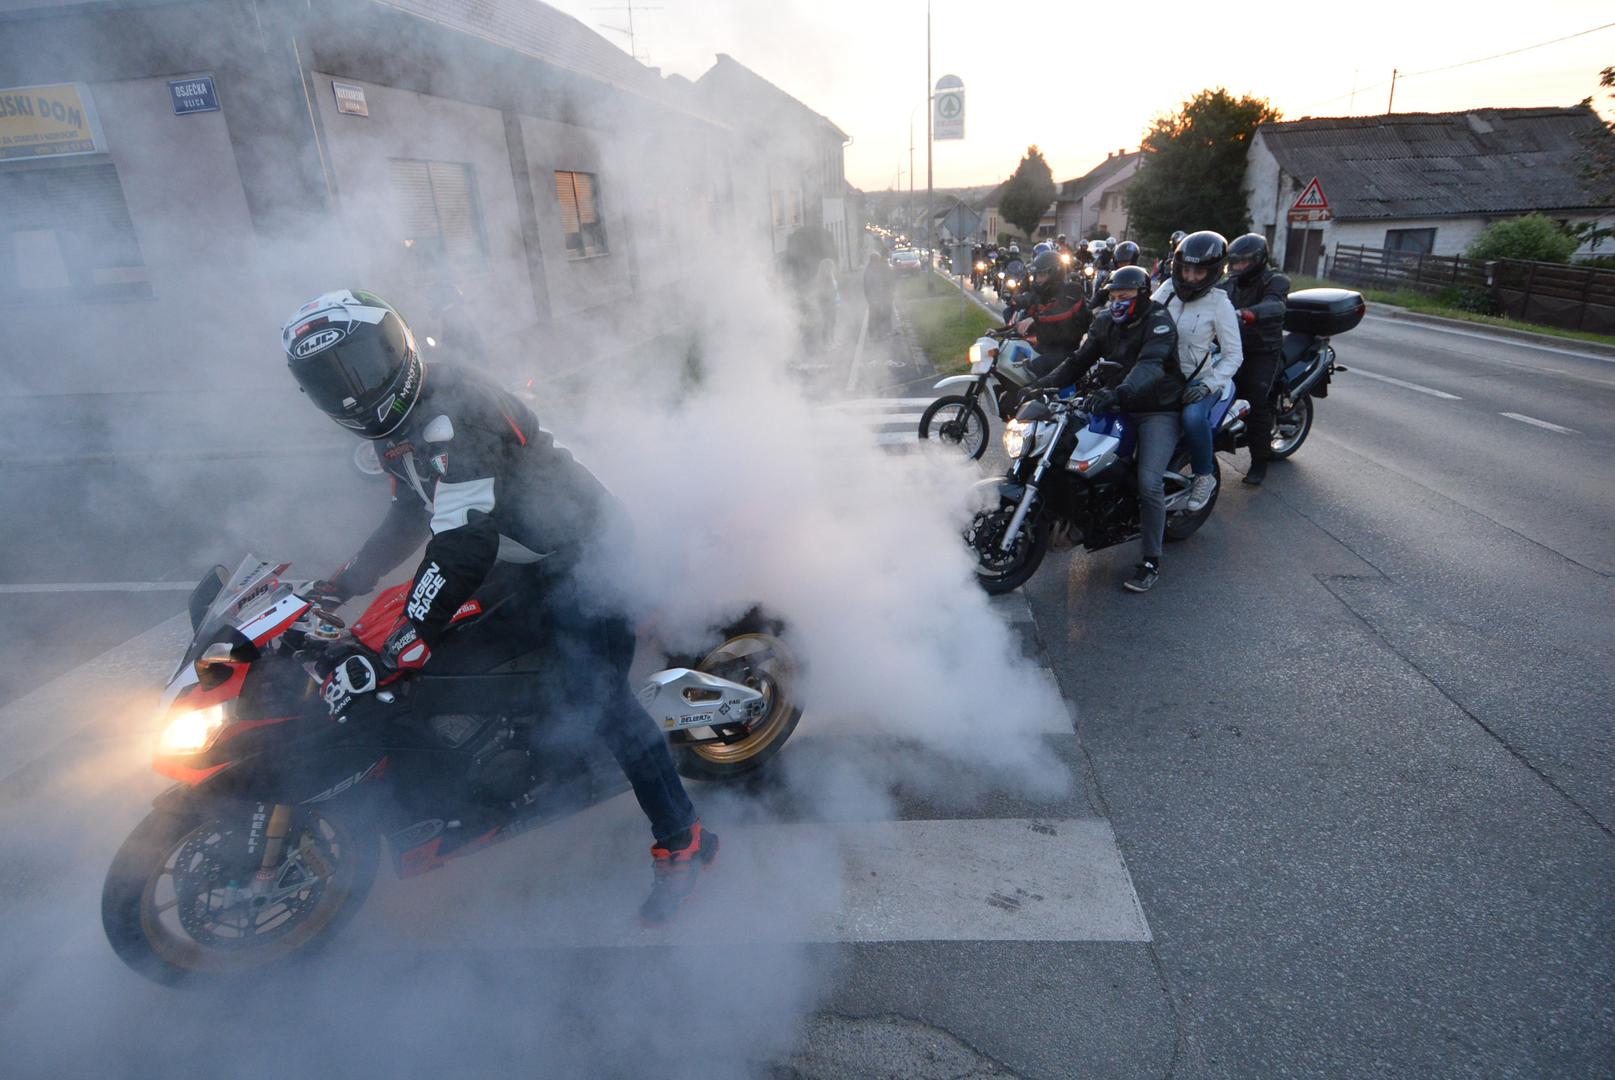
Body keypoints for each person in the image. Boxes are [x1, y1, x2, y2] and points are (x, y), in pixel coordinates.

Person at [282, 289, 716, 926]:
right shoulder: (400, 433)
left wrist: (411, 631)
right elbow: (412, 513)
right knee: (444, 662)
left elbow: (463, 541)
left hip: (587, 554)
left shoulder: (456, 410)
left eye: (361, 368)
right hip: (520, 557)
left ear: (396, 347)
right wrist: (347, 582)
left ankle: (684, 838)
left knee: (596, 696)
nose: (352, 393)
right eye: (330, 382)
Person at [1019, 265, 1184, 593]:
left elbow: (1150, 366)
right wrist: (1039, 386)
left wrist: (1118, 393)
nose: (1118, 301)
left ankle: (1151, 560)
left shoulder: (1159, 322)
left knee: (1149, 481)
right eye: (1113, 296)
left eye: (1126, 295)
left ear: (1143, 295)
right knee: (1069, 452)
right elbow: (1078, 361)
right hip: (1114, 401)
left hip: (1155, 408)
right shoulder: (1106, 321)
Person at [1153, 231, 1243, 513]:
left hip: (1197, 381)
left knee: (1192, 418)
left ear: (1213, 272)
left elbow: (1233, 355)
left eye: (1199, 272)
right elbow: (1143, 318)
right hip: (1158, 373)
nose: (1190, 277)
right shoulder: (1167, 289)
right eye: (1186, 270)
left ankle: (1204, 475)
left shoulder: (1220, 304)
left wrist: (1208, 385)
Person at [1220, 234, 1290, 486]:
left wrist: (1249, 313)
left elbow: (1276, 305)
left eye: (1244, 262)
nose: (1239, 267)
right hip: (1231, 347)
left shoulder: (1276, 280)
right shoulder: (1230, 283)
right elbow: (1209, 296)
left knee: (1254, 401)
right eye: (1236, 262)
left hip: (1262, 350)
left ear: (1259, 259)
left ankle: (1260, 462)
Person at [1014, 248, 1091, 384]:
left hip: (1068, 350)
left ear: (1055, 273)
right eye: (1036, 275)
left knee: (1031, 371)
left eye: (1042, 274)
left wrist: (1035, 319)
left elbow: (1062, 313)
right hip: (1045, 346)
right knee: (1014, 363)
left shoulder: (1072, 290)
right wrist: (999, 332)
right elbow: (1029, 313)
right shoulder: (1042, 295)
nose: (1037, 279)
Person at [862, 250, 895, 340]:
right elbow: (867, 286)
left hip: (879, 296)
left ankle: (879, 334)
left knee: (879, 315)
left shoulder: (875, 269)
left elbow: (883, 281)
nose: (878, 262)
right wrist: (871, 298)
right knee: (873, 316)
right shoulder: (869, 271)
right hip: (873, 297)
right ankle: (873, 335)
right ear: (874, 260)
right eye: (877, 260)